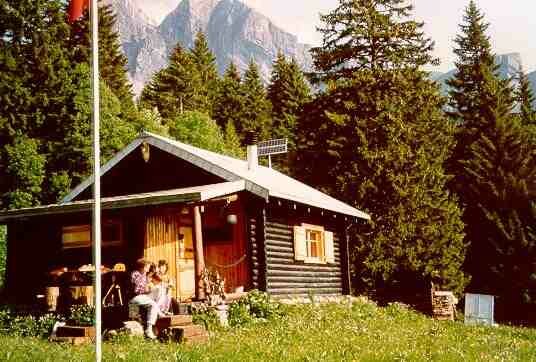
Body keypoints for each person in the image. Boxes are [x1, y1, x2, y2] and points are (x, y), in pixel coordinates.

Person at [128, 259, 164, 339]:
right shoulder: (135, 274)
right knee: (153, 304)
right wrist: (148, 289)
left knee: (159, 289)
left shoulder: (144, 274)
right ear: (143, 266)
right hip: (135, 297)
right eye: (147, 266)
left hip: (142, 296)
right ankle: (149, 329)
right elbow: (137, 290)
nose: (148, 268)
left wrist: (150, 287)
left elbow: (147, 286)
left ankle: (159, 312)